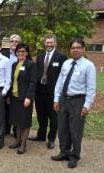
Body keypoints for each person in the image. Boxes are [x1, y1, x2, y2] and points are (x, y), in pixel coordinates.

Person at [51, 39, 96, 168]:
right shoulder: (66, 63)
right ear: (70, 50)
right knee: (62, 128)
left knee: (75, 130)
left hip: (78, 101)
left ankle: (74, 156)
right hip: (63, 100)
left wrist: (87, 105)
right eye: (73, 48)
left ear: (83, 49)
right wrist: (56, 99)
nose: (75, 50)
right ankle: (64, 152)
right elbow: (59, 82)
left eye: (78, 47)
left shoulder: (89, 65)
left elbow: (91, 88)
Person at [29, 34, 67, 149]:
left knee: (53, 117)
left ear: (55, 43)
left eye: (51, 42)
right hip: (40, 91)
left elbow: (63, 76)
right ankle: (41, 135)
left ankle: (51, 139)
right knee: (41, 115)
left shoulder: (61, 57)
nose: (49, 44)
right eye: (47, 42)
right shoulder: (40, 56)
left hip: (53, 92)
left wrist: (60, 93)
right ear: (44, 43)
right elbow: (36, 73)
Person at [7, 43, 37, 154]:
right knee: (17, 121)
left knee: (25, 121)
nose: (20, 53)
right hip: (15, 97)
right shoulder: (14, 64)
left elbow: (33, 82)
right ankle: (17, 141)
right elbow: (12, 81)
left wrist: (29, 97)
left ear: (27, 53)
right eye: (18, 51)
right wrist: (9, 96)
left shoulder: (31, 64)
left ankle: (23, 145)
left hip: (25, 98)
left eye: (23, 51)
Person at [2, 34, 21, 137]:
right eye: (12, 41)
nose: (14, 43)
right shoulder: (3, 54)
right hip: (6, 85)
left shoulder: (23, 54)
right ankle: (6, 129)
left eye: (16, 41)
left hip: (19, 86)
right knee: (6, 108)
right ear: (9, 43)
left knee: (17, 109)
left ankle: (16, 130)